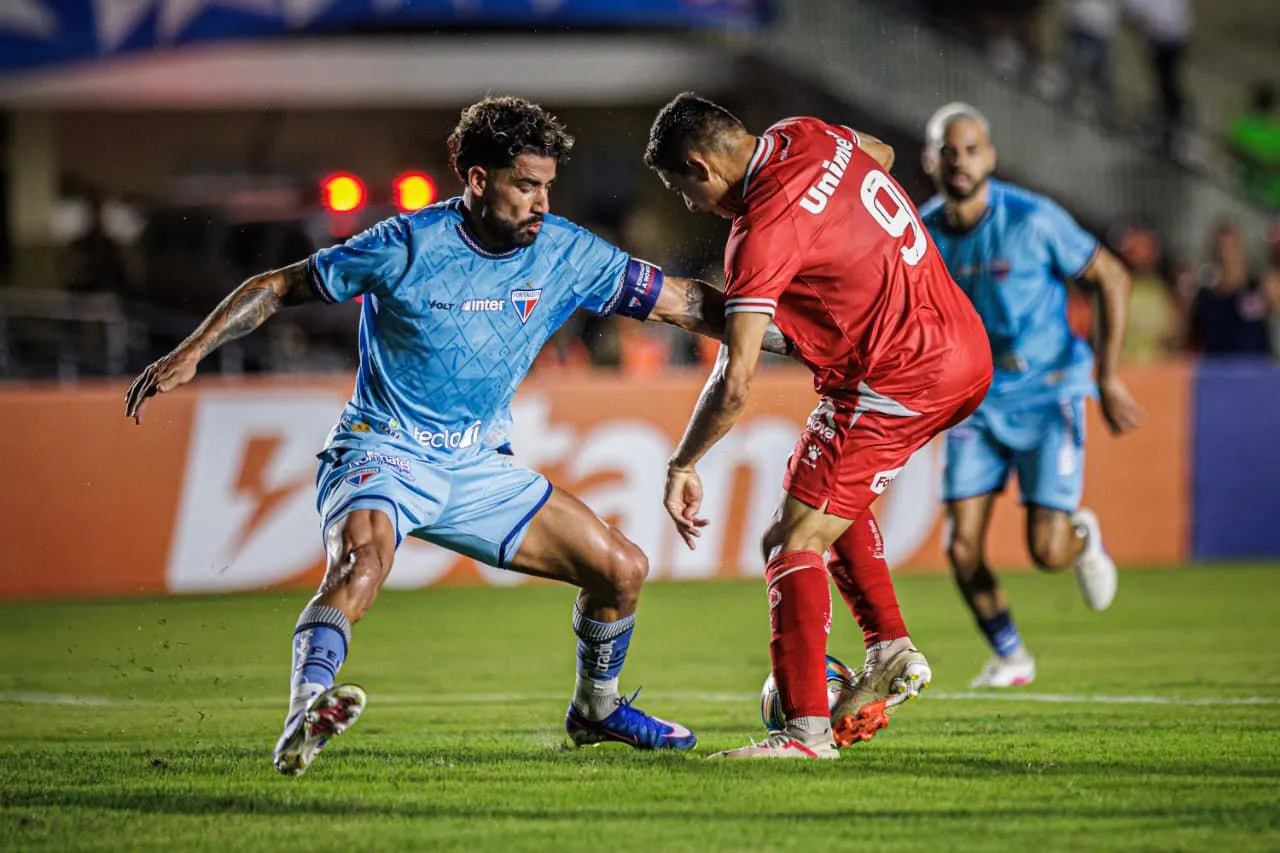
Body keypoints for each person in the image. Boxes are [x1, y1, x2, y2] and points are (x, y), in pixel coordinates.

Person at [125, 96, 791, 775]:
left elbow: (684, 302)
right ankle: (306, 709)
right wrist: (194, 349)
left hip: (476, 465)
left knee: (622, 570)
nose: (541, 202)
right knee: (361, 565)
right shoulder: (404, 246)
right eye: (525, 185)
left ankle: (595, 708)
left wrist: (790, 336)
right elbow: (275, 285)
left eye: (547, 187)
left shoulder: (565, 251)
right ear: (476, 179)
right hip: (383, 447)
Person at [644, 93, 993, 759]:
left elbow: (735, 379)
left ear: (699, 164)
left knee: (791, 538)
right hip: (960, 345)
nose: (689, 205)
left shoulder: (759, 230)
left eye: (681, 188)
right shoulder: (803, 133)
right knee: (815, 482)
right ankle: (889, 648)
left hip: (899, 372)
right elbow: (882, 157)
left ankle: (804, 733)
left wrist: (683, 463)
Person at [919, 103, 1144, 689]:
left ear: (990, 157)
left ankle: (1081, 536)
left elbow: (1112, 277)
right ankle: (1012, 656)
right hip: (977, 399)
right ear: (930, 160)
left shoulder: (1032, 217)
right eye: (948, 150)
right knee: (961, 547)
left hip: (1048, 393)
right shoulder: (919, 233)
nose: (960, 161)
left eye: (971, 149)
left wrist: (1108, 376)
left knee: (1046, 551)